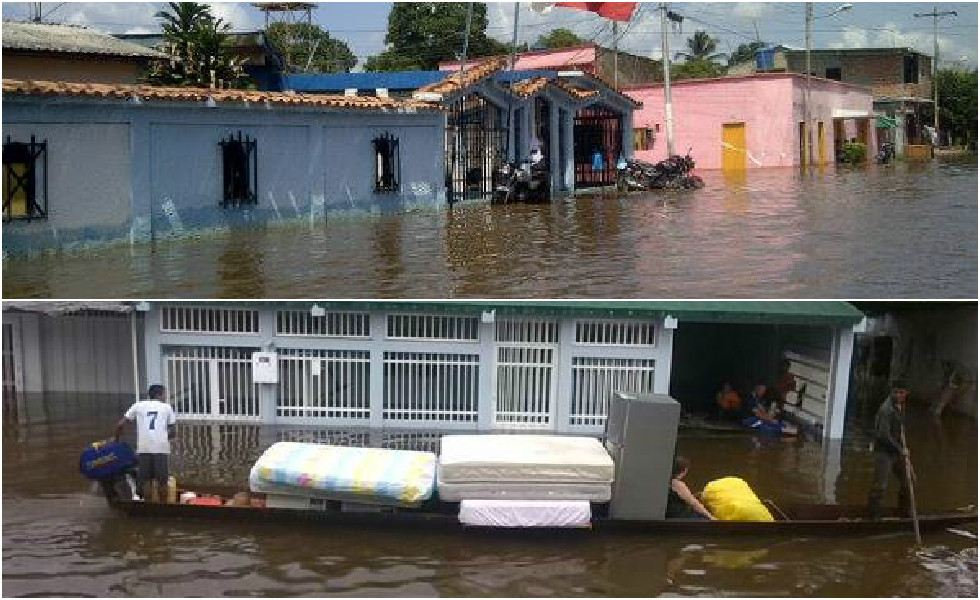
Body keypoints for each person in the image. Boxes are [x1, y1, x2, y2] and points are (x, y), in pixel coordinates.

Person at [114, 384, 176, 503]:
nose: (165, 396)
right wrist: (164, 437)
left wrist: (116, 441)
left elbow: (120, 425)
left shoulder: (138, 405)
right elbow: (173, 431)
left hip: (144, 448)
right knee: (162, 481)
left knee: (145, 480)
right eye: (164, 394)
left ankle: (148, 506)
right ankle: (163, 507)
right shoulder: (166, 407)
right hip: (160, 448)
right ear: (159, 395)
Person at [867, 380, 912, 520]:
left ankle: (904, 513)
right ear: (892, 392)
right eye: (897, 392)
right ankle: (874, 517)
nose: (899, 395)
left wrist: (903, 448)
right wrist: (900, 449)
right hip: (884, 451)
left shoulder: (900, 406)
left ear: (906, 394)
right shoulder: (886, 410)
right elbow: (884, 436)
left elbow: (899, 429)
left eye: (902, 393)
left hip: (896, 451)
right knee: (880, 486)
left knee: (907, 482)